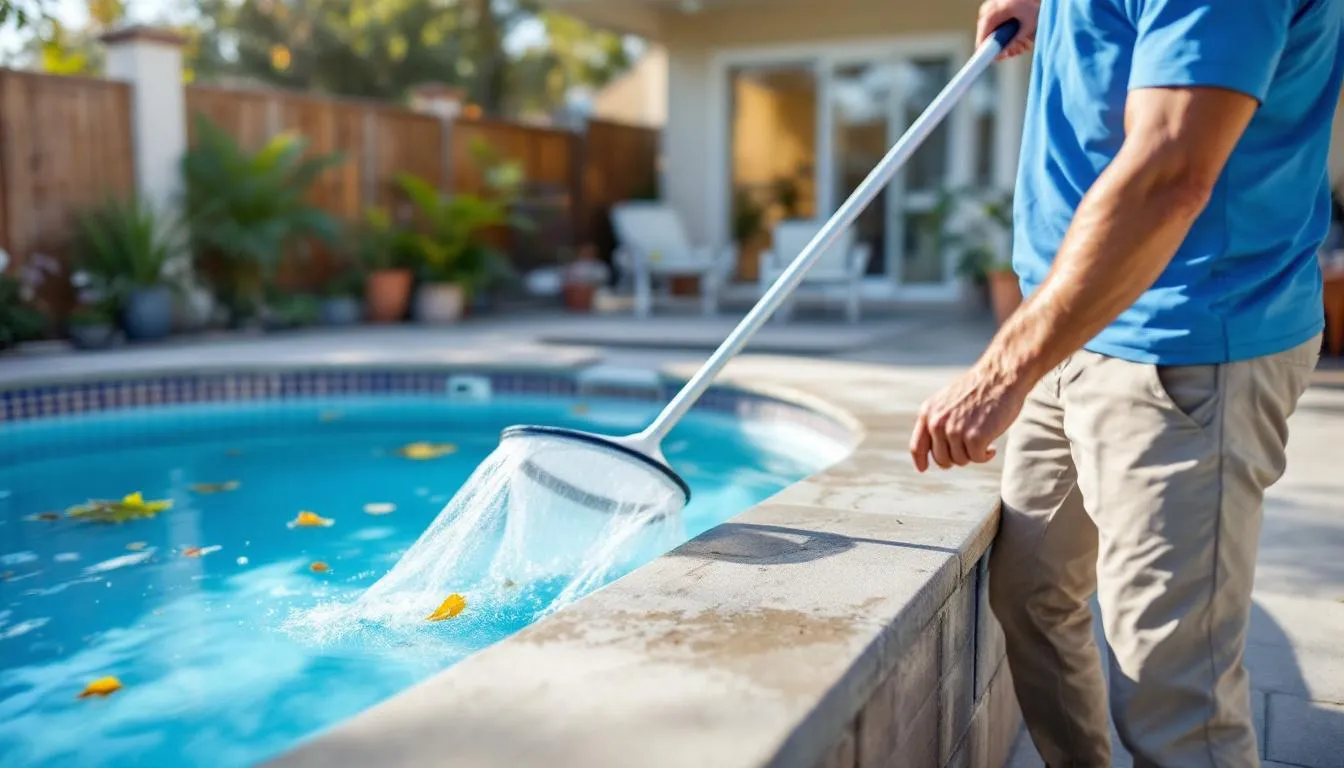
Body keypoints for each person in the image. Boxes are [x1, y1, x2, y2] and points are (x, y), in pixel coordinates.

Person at [909, 1, 1343, 765]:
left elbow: (1170, 172)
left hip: (1183, 340)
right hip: (1078, 326)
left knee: (1176, 704)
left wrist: (1002, 368)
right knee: (1034, 595)